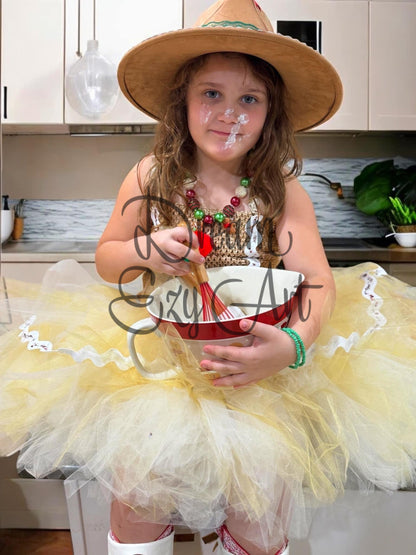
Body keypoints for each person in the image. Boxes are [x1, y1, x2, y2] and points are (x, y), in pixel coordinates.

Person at [0, 1, 415, 555]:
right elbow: (106, 255)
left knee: (258, 510)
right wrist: (146, 250)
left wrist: (292, 345)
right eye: (211, 94)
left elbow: (317, 281)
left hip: (257, 373)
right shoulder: (150, 174)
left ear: (272, 111)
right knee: (140, 499)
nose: (230, 113)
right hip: (159, 367)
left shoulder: (282, 190)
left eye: (250, 98)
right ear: (183, 104)